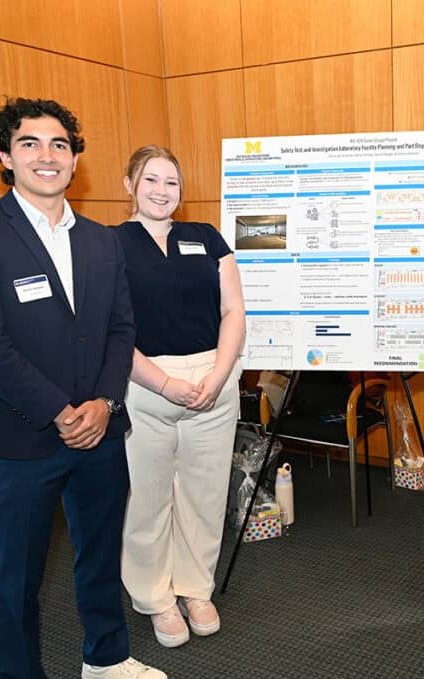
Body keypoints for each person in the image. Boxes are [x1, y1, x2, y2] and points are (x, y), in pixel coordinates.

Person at [0, 98, 166, 679]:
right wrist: (61, 411)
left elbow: (121, 329)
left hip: (101, 430)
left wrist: (103, 403)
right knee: (16, 577)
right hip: (21, 436)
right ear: (4, 156)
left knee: (99, 557)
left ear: (74, 160)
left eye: (60, 145)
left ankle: (107, 659)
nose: (47, 156)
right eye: (30, 144)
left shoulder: (102, 240)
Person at [114, 146, 245, 648]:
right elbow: (110, 330)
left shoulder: (206, 238)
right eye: (150, 180)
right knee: (148, 496)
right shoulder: (107, 245)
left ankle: (194, 587)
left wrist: (218, 374)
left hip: (213, 377)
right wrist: (164, 383)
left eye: (172, 182)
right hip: (145, 380)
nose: (161, 191)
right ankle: (154, 597)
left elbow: (233, 311)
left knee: (205, 492)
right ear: (129, 184)